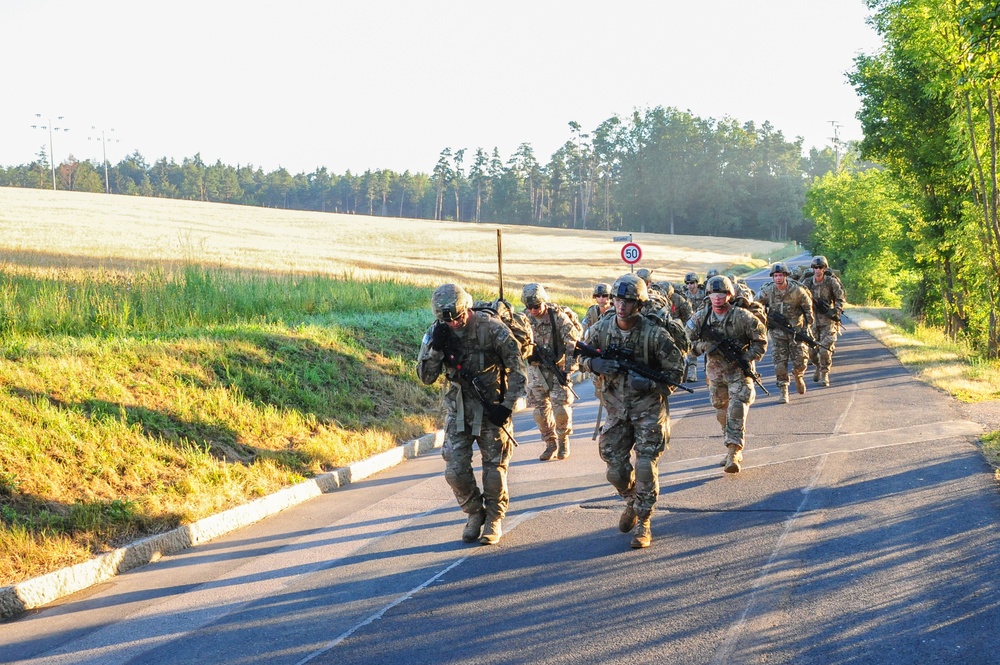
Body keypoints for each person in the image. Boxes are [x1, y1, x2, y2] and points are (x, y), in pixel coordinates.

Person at [416, 284, 528, 545]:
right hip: (459, 410)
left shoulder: (492, 328)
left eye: (458, 317)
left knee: (494, 470)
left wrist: (507, 406)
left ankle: (494, 519)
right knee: (455, 470)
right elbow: (426, 377)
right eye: (448, 319)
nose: (454, 323)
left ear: (466, 308)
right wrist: (435, 350)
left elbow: (518, 369)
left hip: (492, 408)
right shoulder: (437, 331)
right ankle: (474, 514)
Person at [580, 273, 685, 548]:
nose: (621, 306)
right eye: (617, 299)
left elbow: (676, 373)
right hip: (616, 409)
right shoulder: (601, 329)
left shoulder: (654, 334)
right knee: (614, 468)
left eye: (628, 301)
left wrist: (650, 382)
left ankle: (644, 522)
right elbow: (579, 355)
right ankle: (632, 500)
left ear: (638, 304)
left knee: (645, 465)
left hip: (649, 409)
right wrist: (594, 365)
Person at [687, 276, 767, 473]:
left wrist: (747, 357)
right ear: (708, 295)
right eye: (713, 294)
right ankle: (729, 443)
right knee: (721, 410)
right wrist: (703, 346)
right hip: (716, 373)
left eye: (722, 294)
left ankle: (734, 452)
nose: (717, 298)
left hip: (739, 371)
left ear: (729, 295)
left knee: (737, 407)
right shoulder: (701, 317)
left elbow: (761, 340)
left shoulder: (742, 317)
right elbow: (685, 342)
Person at [522, 283, 581, 461]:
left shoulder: (558, 318)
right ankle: (550, 443)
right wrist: (527, 354)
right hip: (536, 370)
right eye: (529, 307)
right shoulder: (524, 318)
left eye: (536, 306)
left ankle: (563, 441)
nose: (533, 310)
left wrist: (568, 370)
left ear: (544, 303)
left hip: (558, 367)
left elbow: (573, 344)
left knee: (560, 408)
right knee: (540, 412)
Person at [756, 262, 814, 403]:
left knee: (801, 360)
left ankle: (798, 375)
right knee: (779, 364)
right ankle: (784, 391)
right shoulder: (768, 291)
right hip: (777, 334)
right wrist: (763, 320)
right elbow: (755, 305)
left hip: (796, 332)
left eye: (781, 275)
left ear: (786, 276)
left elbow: (808, 310)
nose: (778, 278)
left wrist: (807, 327)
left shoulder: (797, 291)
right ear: (772, 277)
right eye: (775, 276)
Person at [803, 255, 846, 386]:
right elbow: (799, 298)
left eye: (820, 267)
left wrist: (835, 311)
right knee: (812, 352)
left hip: (828, 322)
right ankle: (817, 367)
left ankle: (824, 374)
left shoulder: (831, 282)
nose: (817, 270)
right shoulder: (807, 283)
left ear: (825, 268)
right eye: (815, 268)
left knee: (824, 350)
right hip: (812, 322)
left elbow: (840, 297)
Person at [680, 272, 705, 382]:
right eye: (688, 283)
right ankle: (692, 374)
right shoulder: (684, 295)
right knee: (691, 348)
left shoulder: (703, 294)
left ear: (697, 283)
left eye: (692, 283)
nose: (690, 286)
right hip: (690, 325)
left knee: (709, 347)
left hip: (704, 324)